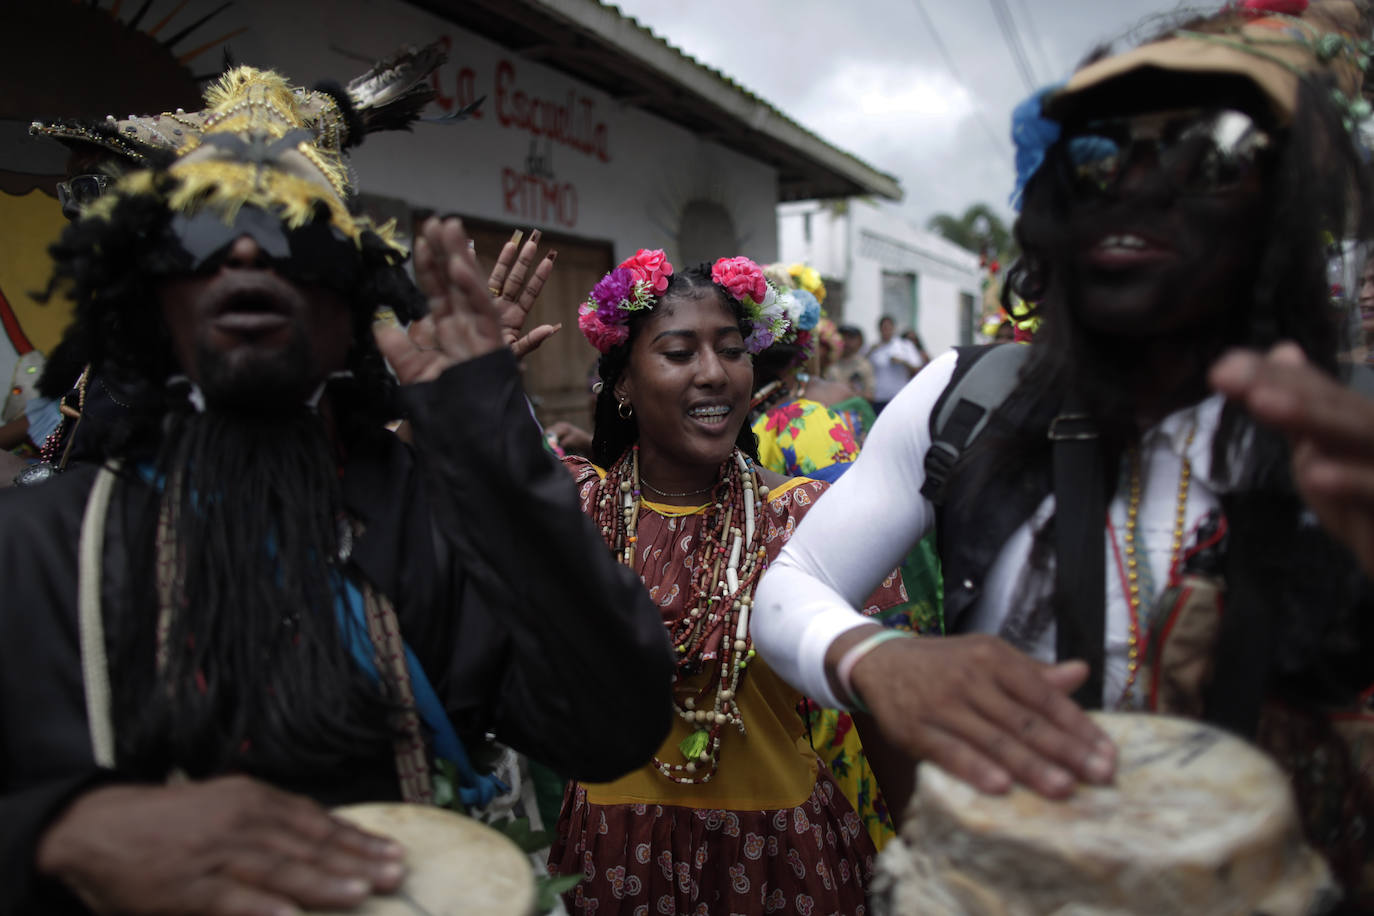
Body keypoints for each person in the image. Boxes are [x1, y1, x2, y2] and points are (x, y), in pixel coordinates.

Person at [0, 65, 674, 915]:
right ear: (153, 299)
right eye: (204, 235)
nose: (248, 250)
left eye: (297, 236)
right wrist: (57, 831)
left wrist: (485, 435)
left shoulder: (432, 529)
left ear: (353, 303)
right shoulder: (31, 548)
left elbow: (613, 726)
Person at [753, 0, 1374, 904]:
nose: (1141, 185)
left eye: (1210, 157)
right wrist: (873, 661)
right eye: (1101, 155)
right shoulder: (965, 398)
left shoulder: (1347, 431)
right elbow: (792, 581)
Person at [547, 251, 904, 913]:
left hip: (778, 860)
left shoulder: (806, 521)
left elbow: (884, 712)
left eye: (732, 350)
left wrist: (935, 857)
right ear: (622, 384)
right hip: (616, 856)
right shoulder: (575, 513)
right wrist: (463, 383)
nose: (713, 374)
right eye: (679, 353)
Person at [866, 316, 923, 412]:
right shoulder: (873, 348)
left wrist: (902, 362)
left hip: (898, 396)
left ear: (894, 328)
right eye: (884, 328)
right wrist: (870, 351)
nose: (886, 331)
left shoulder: (905, 346)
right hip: (878, 397)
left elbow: (918, 369)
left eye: (889, 328)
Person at [826, 324, 877, 403]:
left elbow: (870, 396)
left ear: (859, 342)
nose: (846, 342)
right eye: (843, 337)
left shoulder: (864, 365)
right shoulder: (829, 362)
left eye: (850, 338)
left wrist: (852, 392)